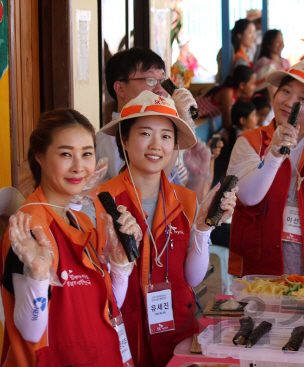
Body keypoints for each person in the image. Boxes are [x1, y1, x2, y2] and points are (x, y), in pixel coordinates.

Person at [83, 91, 237, 367]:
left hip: (176, 333)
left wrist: (203, 230)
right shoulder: (98, 202)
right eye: (145, 133)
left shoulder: (186, 199)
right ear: (125, 140)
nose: (156, 145)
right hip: (120, 338)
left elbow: (192, 278)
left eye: (166, 136)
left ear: (175, 145)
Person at [1, 109, 142, 366]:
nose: (79, 166)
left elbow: (109, 309)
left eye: (87, 154)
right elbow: (30, 332)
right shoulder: (30, 226)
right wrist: (38, 277)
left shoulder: (83, 222)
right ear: (40, 157)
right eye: (66, 154)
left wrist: (120, 266)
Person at [227, 60, 304, 278]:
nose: (289, 102)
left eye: (303, 99)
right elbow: (246, 196)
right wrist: (274, 154)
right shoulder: (249, 141)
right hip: (261, 269)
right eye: (285, 91)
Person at [98, 47, 213, 202]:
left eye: (163, 81)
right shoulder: (109, 137)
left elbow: (189, 207)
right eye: (150, 80)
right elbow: (146, 192)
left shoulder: (167, 131)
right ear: (120, 88)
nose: (160, 90)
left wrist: (197, 176)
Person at [195, 65, 256, 130]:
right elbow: (226, 123)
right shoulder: (228, 93)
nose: (254, 87)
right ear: (242, 85)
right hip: (188, 112)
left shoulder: (234, 95)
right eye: (252, 84)